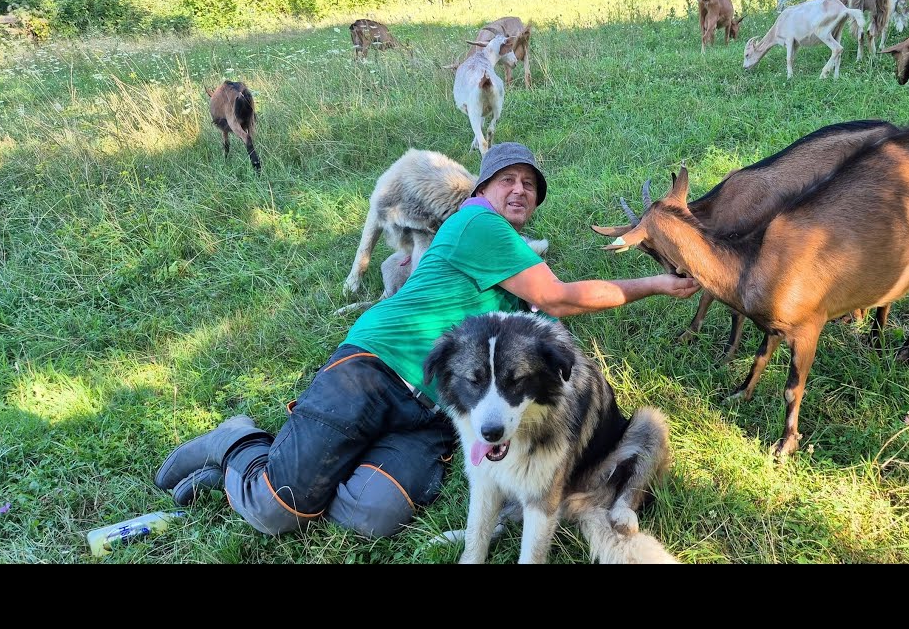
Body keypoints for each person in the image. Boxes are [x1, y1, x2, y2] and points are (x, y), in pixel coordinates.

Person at [153, 142, 699, 538]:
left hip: (441, 410)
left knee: (371, 514)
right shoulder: (477, 224)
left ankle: (289, 463)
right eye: (506, 178)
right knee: (280, 508)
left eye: (529, 186)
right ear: (480, 190)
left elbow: (542, 344)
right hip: (376, 367)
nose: (519, 189)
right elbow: (558, 300)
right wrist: (655, 283)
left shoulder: (514, 258)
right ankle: (235, 443)